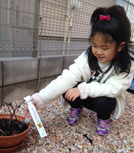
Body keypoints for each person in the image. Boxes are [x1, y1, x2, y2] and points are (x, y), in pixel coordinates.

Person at [27, 5, 134, 136]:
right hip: (86, 95)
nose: (98, 51)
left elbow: (113, 88)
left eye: (104, 48)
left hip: (104, 99)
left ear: (120, 46)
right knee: (67, 88)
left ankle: (104, 118)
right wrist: (41, 98)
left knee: (104, 101)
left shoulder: (125, 65)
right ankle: (76, 108)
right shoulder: (88, 57)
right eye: (94, 45)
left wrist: (84, 89)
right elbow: (68, 77)